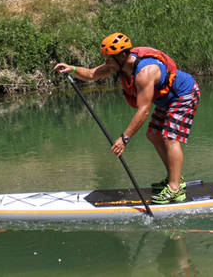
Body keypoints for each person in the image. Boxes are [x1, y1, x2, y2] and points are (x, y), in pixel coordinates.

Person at [54, 33, 200, 203]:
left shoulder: (145, 72)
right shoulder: (119, 64)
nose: (107, 63)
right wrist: (71, 69)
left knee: (169, 137)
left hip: (184, 94)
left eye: (109, 59)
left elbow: (144, 110)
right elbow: (92, 74)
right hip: (166, 99)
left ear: (122, 55)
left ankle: (175, 189)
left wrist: (125, 139)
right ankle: (174, 180)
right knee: (153, 135)